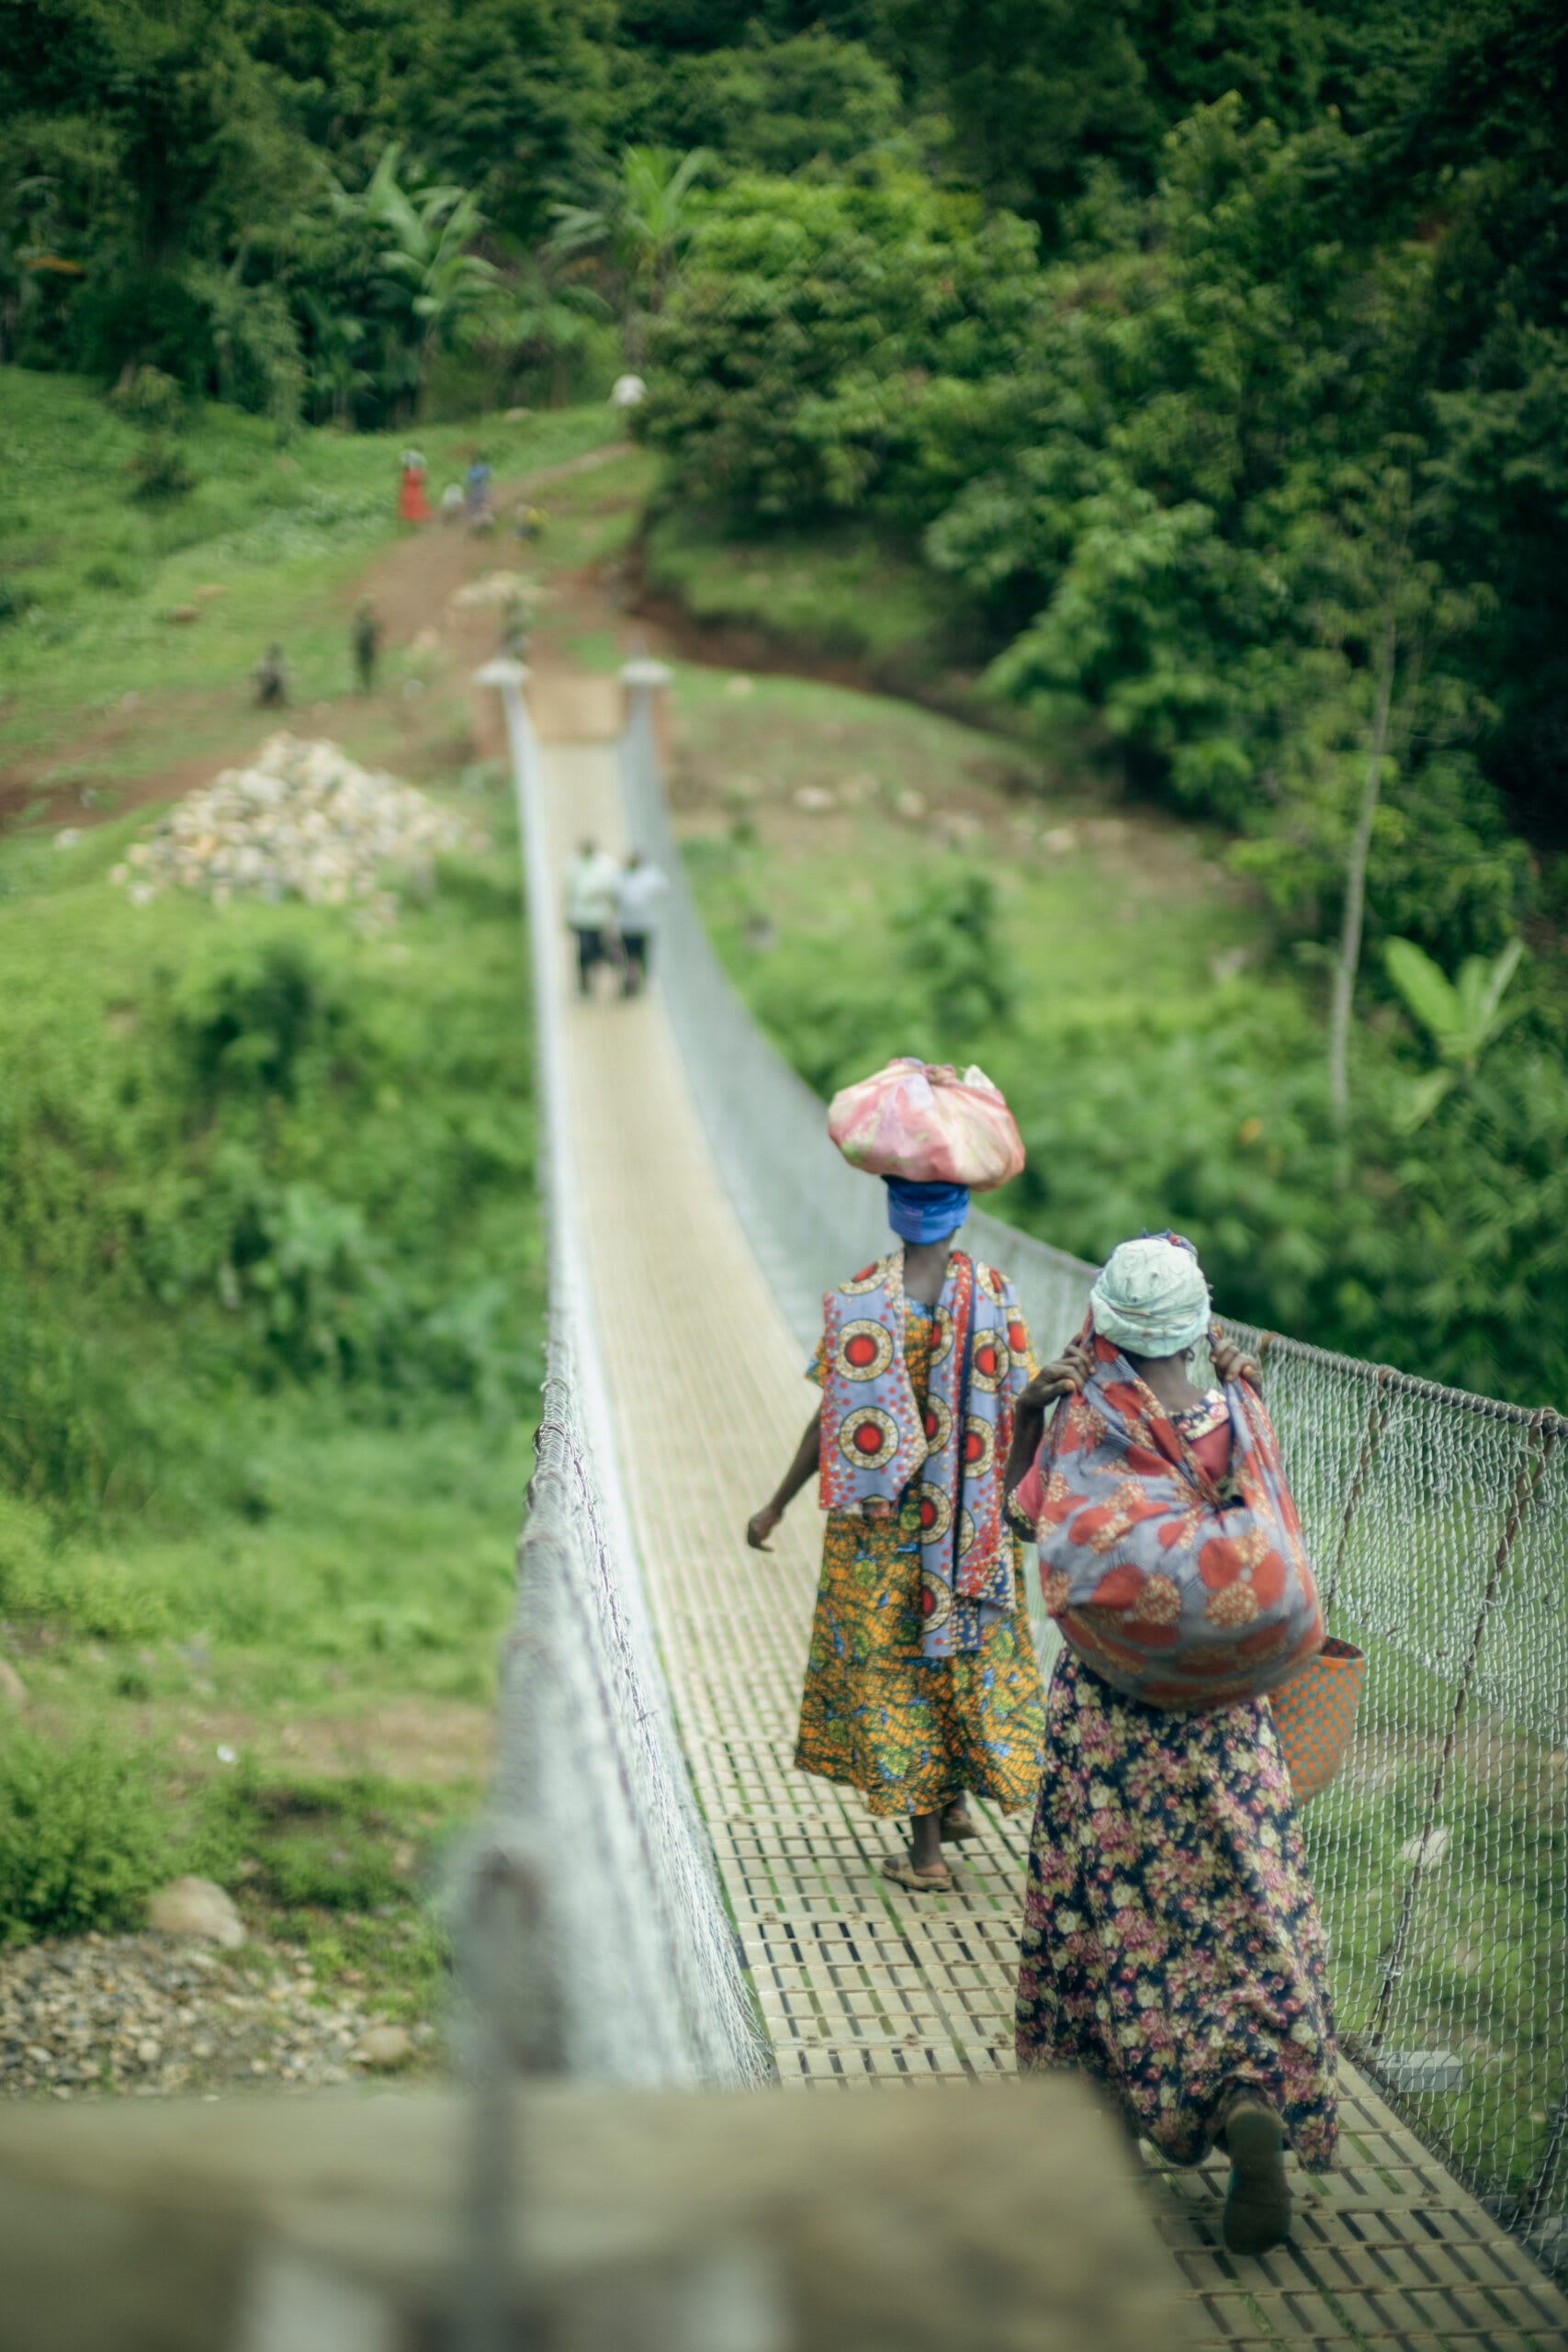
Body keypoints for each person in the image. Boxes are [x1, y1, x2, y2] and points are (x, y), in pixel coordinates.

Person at [1005, 1233, 1335, 2258]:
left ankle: (1099, 2118)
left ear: (1102, 1325)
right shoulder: (1239, 1411)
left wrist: (1026, 1415)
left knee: (1105, 1914)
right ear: (1198, 1327)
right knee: (1239, 1908)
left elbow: (1029, 1525)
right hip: (1227, 1722)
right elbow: (1273, 1534)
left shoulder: (1083, 1421)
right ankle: (1250, 2097)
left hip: (1109, 1723)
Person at [748, 1168, 1047, 1892]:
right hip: (971, 1527)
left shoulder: (861, 1303)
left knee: (898, 1673)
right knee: (957, 1654)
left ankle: (925, 1858)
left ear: (892, 1212)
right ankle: (950, 1805)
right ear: (961, 1212)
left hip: (882, 1541)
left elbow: (832, 1425)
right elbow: (1022, 1402)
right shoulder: (994, 1296)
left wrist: (778, 1502)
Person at [562, 838, 622, 998]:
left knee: (597, 952)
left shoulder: (606, 865)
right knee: (583, 951)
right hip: (581, 917)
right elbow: (569, 892)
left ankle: (594, 981)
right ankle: (583, 983)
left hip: (599, 917)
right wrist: (568, 913)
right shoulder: (573, 865)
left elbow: (613, 892)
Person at [615, 849, 668, 997]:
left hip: (645, 924)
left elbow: (663, 889)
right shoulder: (622, 875)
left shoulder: (649, 875)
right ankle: (631, 981)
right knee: (630, 955)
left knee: (642, 956)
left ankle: (642, 981)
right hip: (627, 925)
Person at [352, 597, 382, 695]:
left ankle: (366, 688)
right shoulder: (367, 622)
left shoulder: (365, 622)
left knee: (366, 669)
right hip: (364, 647)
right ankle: (364, 688)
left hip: (365, 647)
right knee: (365, 669)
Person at [397, 449, 430, 524]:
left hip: (410, 490)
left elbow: (403, 480)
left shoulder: (408, 472)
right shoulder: (416, 471)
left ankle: (414, 521)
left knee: (414, 506)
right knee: (415, 505)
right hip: (413, 490)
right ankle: (415, 521)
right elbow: (423, 480)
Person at [253, 642, 288, 707]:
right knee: (268, 683)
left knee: (281, 682)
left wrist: (284, 677)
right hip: (266, 677)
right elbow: (260, 670)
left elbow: (283, 669)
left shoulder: (279, 658)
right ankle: (264, 699)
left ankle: (280, 700)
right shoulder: (266, 658)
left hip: (275, 678)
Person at [465, 454, 492, 523]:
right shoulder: (480, 468)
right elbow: (488, 474)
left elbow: (468, 480)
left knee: (479, 506)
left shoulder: (472, 470)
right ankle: (485, 521)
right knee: (483, 505)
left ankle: (483, 521)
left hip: (477, 488)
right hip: (481, 488)